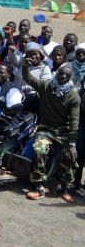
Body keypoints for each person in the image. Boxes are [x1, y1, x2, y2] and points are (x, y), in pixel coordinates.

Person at [22, 61, 80, 203]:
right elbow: (29, 78)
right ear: (56, 74)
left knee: (70, 155)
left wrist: (72, 143)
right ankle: (38, 186)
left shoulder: (73, 97)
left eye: (67, 75)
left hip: (62, 131)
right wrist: (25, 67)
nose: (63, 76)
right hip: (45, 128)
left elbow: (74, 121)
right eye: (61, 73)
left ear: (70, 78)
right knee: (39, 149)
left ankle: (63, 187)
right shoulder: (46, 86)